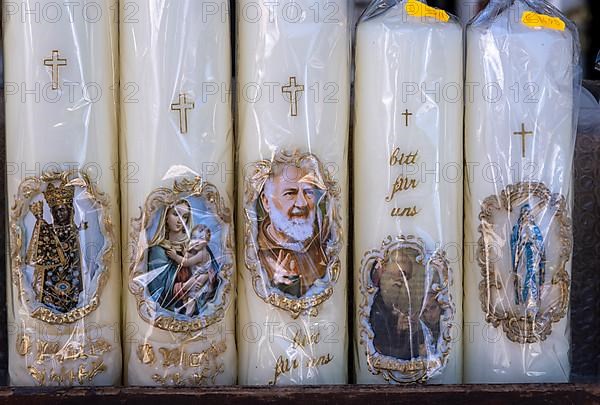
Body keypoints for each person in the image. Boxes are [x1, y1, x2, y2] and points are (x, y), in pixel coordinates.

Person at [257, 159, 329, 298]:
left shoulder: (325, 241)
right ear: (267, 202)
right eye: (290, 193)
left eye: (308, 192)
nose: (302, 203)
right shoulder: (256, 251)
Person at [26, 181, 84, 313]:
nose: (59, 214)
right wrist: (40, 223)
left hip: (72, 278)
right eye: (55, 211)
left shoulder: (74, 231)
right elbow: (40, 253)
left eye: (62, 210)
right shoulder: (48, 230)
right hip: (50, 280)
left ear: (70, 210)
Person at [168, 224, 220, 316]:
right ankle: (184, 310)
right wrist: (186, 252)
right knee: (188, 296)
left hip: (201, 281)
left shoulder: (202, 253)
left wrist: (175, 257)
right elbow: (190, 257)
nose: (196, 241)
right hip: (198, 277)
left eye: (200, 239)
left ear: (207, 241)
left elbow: (187, 262)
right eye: (194, 237)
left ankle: (188, 315)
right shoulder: (199, 252)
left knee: (191, 297)